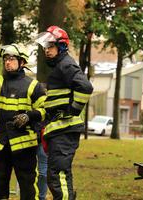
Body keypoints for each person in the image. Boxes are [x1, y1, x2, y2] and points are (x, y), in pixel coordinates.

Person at [0, 43, 46, 200]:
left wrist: (29, 116)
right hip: (1, 144)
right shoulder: (1, 81)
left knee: (27, 186)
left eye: (11, 59)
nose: (7, 62)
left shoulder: (33, 86)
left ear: (22, 62)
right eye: (5, 60)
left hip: (24, 146)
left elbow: (44, 110)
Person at [35, 26, 94, 200]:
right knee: (60, 175)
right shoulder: (60, 67)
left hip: (65, 131)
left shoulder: (65, 65)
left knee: (57, 176)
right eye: (45, 47)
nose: (46, 50)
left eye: (50, 46)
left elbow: (85, 87)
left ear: (61, 46)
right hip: (60, 131)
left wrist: (74, 110)